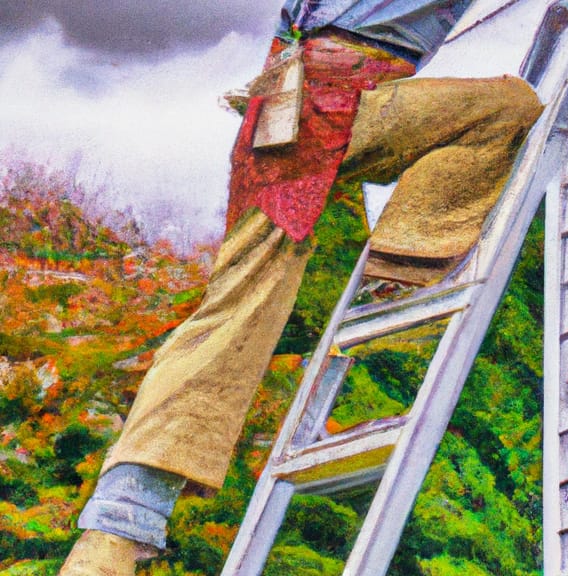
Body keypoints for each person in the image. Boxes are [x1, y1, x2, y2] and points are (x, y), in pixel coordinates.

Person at [58, 1, 543, 573]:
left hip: (285, 112)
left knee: (236, 310)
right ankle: (406, 255)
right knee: (510, 106)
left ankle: (118, 523)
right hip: (329, 103)